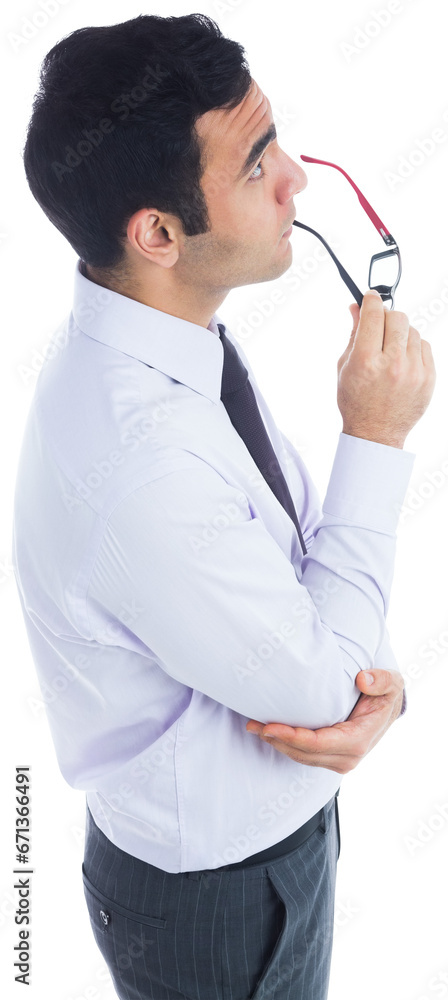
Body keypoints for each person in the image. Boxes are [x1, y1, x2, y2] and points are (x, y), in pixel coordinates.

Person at [12, 13, 435, 1000]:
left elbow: (292, 596)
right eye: (254, 165)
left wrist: (368, 698)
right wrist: (373, 436)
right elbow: (324, 687)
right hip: (220, 899)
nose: (296, 178)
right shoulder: (143, 462)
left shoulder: (170, 338)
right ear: (157, 233)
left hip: (256, 843)